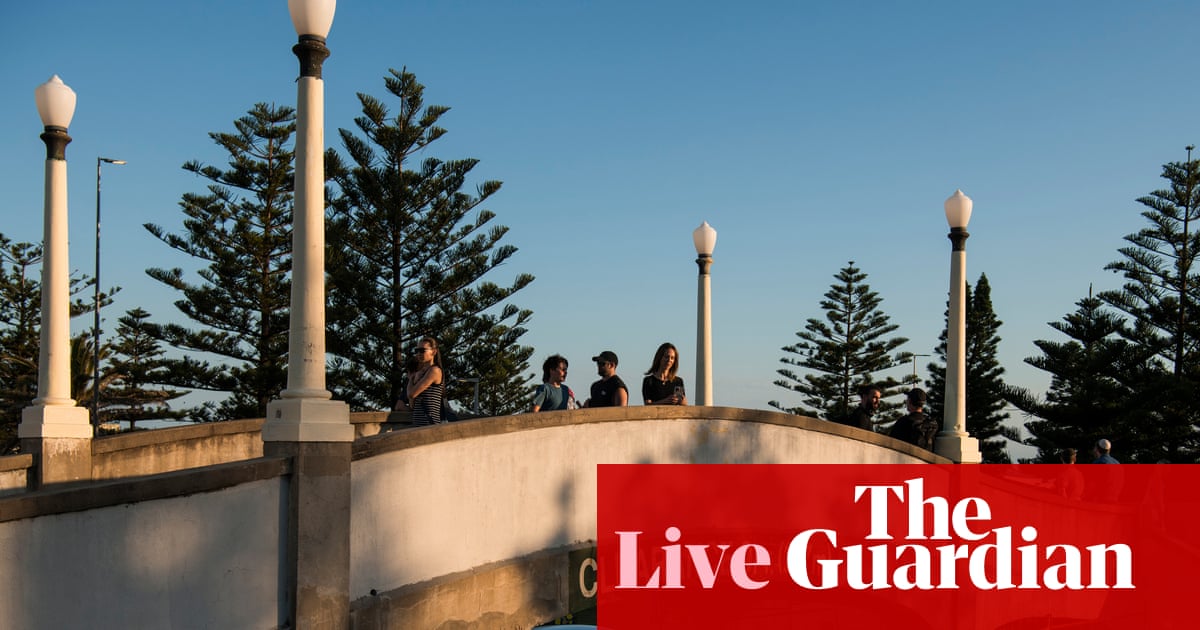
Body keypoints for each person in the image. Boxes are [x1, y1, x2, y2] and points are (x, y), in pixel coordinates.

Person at [407, 336, 445, 426]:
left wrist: (411, 380)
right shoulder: (421, 373)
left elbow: (411, 394)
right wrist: (414, 379)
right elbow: (412, 405)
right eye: (417, 351)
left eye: (422, 350)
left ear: (434, 352)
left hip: (429, 425)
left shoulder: (434, 371)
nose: (419, 354)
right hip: (418, 424)